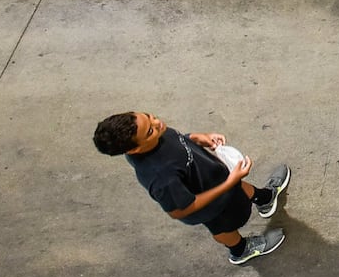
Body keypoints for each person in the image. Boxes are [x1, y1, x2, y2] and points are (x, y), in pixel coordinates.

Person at [92, 112, 290, 265]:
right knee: (223, 227)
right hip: (210, 208)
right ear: (134, 149)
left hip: (214, 177)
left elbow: (178, 140)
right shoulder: (160, 177)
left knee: (239, 188)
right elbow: (181, 210)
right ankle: (241, 250)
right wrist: (228, 183)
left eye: (149, 117)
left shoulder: (154, 134)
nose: (157, 123)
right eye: (150, 130)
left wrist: (197, 138)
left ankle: (265, 199)